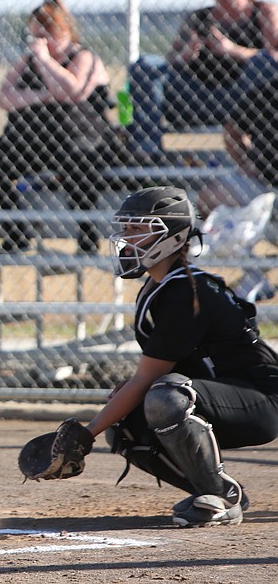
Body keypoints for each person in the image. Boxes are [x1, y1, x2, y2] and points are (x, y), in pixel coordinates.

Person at [78, 186, 278, 526]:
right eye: (125, 230)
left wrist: (86, 435)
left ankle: (221, 500)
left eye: (138, 230)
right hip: (219, 392)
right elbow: (156, 371)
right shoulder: (160, 286)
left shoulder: (186, 290)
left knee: (164, 397)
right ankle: (218, 490)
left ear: (171, 236)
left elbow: (150, 378)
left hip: (260, 399)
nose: (126, 239)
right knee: (126, 425)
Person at [0, 0, 118, 253]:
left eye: (44, 35)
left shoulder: (83, 57)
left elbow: (72, 91)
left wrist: (45, 62)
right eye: (33, 36)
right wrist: (42, 95)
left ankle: (86, 236)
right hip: (36, 140)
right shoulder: (27, 60)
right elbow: (4, 97)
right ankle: (18, 230)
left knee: (79, 163)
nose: (37, 43)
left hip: (80, 138)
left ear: (61, 31)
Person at [128, 0, 278, 161]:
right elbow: (169, 62)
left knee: (264, 63)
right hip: (197, 99)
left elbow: (274, 57)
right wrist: (185, 55)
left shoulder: (263, 13)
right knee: (145, 65)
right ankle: (148, 151)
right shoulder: (198, 18)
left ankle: (265, 153)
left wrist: (232, 50)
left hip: (244, 100)